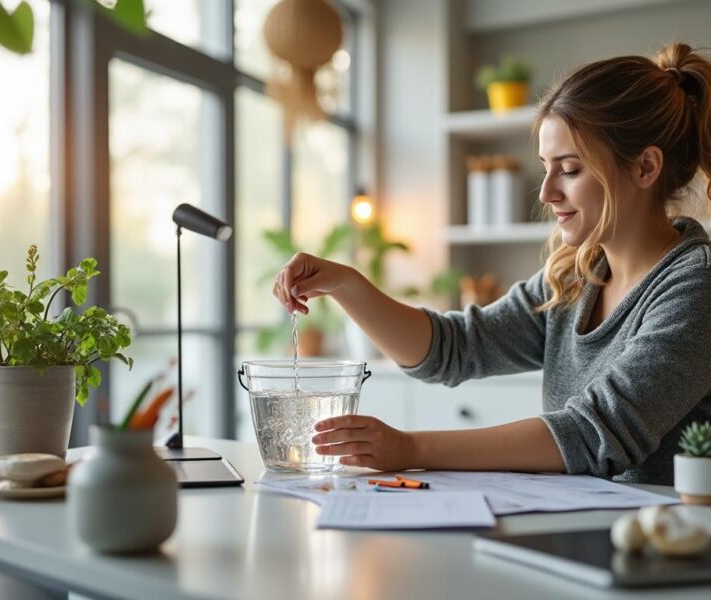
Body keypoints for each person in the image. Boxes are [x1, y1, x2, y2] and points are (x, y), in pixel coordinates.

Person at [272, 42, 711, 485]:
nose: (546, 192)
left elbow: (591, 434)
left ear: (645, 167)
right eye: (546, 168)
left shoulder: (696, 286)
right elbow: (455, 348)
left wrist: (410, 448)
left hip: (670, 547)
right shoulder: (574, 277)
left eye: (571, 169)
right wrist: (347, 285)